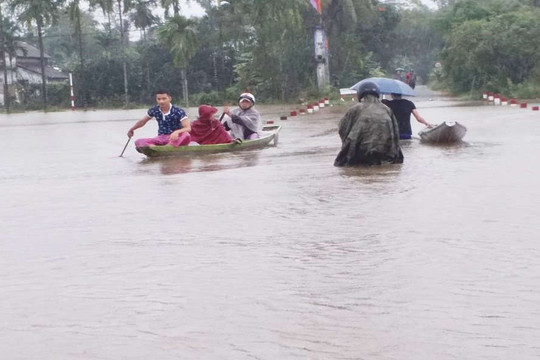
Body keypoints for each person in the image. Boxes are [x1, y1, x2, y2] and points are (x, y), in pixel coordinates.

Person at [334, 81, 404, 166]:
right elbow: (395, 132)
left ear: (360, 94)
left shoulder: (356, 109)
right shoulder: (387, 109)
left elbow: (343, 128)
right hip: (386, 153)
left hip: (360, 153)